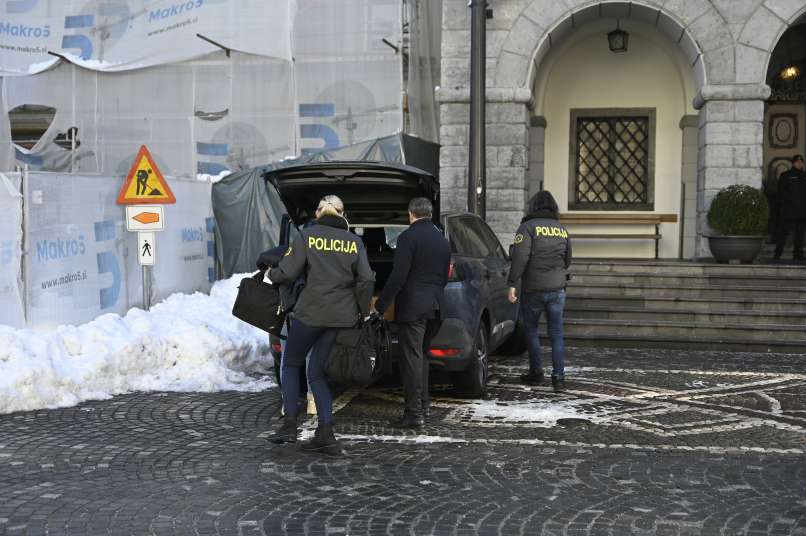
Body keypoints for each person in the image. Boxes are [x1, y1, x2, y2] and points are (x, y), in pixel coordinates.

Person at [266, 195, 374, 454]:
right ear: (342, 214)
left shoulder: (306, 236)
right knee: (317, 372)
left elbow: (288, 271)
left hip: (310, 314)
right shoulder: (355, 242)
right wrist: (362, 311)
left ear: (318, 213)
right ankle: (325, 432)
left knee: (291, 363)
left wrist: (272, 273)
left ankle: (290, 425)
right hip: (340, 318)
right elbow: (367, 279)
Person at [375, 197, 451, 429]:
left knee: (411, 360)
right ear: (429, 214)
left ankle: (414, 414)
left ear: (411, 214)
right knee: (421, 356)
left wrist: (380, 306)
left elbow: (398, 276)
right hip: (437, 307)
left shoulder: (408, 238)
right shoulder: (442, 240)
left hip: (413, 308)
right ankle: (424, 406)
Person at [506, 190, 572, 393]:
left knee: (531, 330)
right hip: (557, 289)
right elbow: (567, 260)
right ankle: (559, 378)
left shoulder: (527, 228)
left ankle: (536, 372)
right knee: (557, 334)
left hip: (533, 288)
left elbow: (519, 258)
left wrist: (512, 283)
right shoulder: (561, 229)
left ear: (533, 206)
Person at [774, 154, 806, 262]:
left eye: (801, 162)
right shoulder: (786, 175)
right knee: (783, 233)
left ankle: (798, 254)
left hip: (802, 210)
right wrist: (787, 203)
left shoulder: (804, 176)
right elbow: (781, 192)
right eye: (797, 162)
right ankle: (777, 254)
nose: (799, 163)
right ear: (793, 163)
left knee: (800, 234)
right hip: (789, 210)